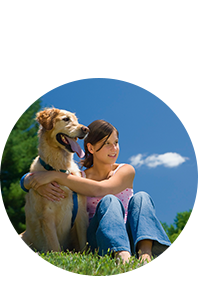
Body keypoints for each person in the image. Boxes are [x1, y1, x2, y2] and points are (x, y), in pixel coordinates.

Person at [20, 120, 172, 263]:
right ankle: (122, 255)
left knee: (142, 197)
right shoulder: (80, 176)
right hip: (99, 239)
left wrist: (54, 175)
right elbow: (36, 177)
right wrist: (29, 181)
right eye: (107, 144)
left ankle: (145, 254)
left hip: (131, 235)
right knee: (109, 201)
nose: (114, 149)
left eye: (116, 143)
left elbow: (100, 189)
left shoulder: (126, 170)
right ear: (91, 148)